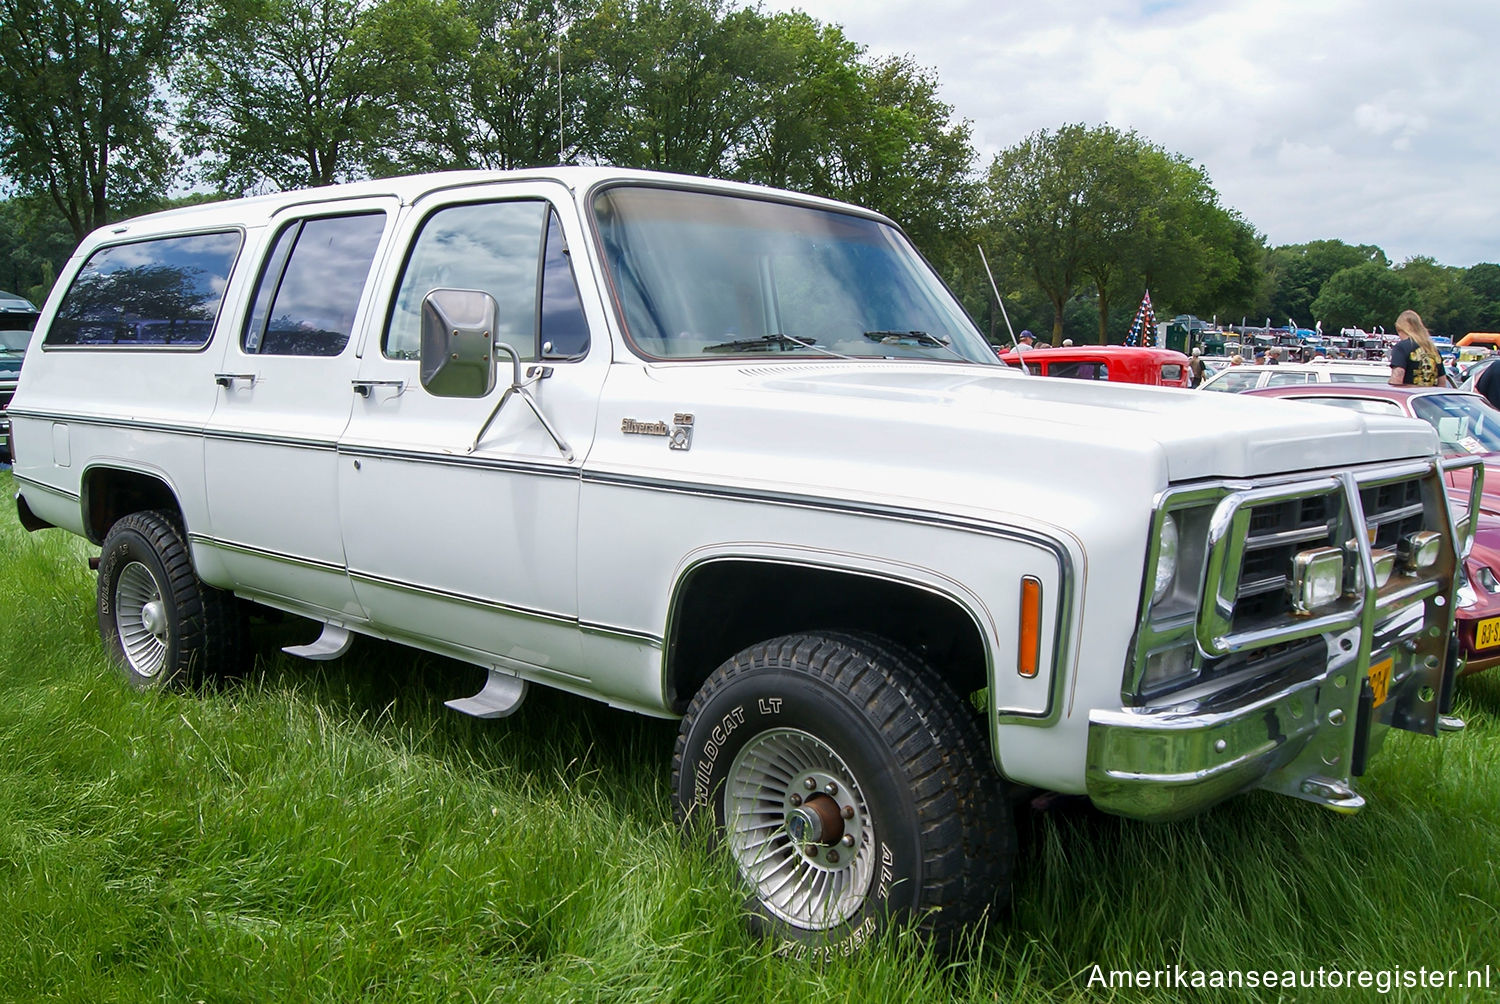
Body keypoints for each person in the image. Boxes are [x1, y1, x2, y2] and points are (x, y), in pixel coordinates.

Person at [1387, 310, 1448, 387]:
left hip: (1408, 396)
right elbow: (1442, 383)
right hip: (1428, 397)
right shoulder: (1433, 349)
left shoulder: (1401, 347)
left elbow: (1397, 378)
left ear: (1399, 329)